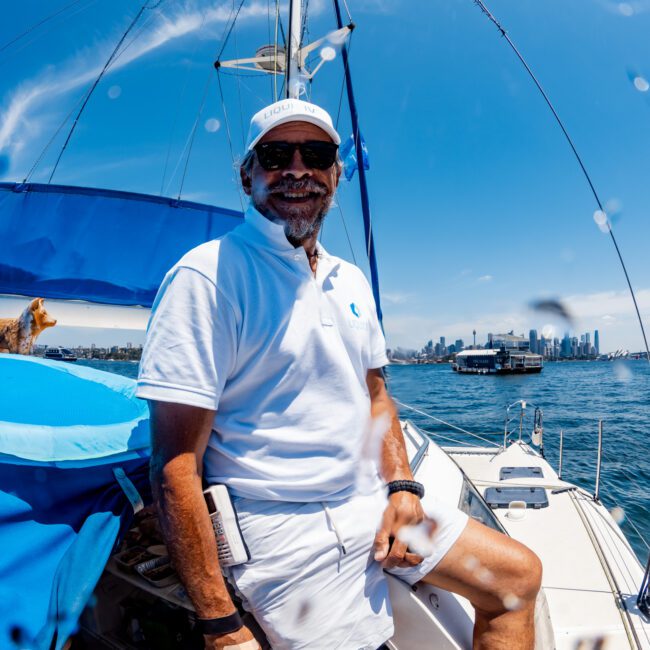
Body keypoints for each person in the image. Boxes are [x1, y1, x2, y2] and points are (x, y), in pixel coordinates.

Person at [136, 99, 542, 650]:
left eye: (317, 154)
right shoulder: (206, 276)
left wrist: (401, 487)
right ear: (247, 174)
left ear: (335, 172)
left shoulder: (349, 279)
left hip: (372, 504)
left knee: (516, 577)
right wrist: (220, 625)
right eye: (277, 154)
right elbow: (175, 464)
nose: (297, 169)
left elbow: (377, 397)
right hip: (282, 531)